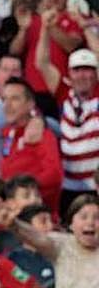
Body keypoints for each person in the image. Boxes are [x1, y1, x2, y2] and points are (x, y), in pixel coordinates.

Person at [35, 40, 99, 217]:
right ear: (69, 74)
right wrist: (46, 28)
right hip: (69, 185)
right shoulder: (64, 94)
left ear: (96, 73)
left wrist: (86, 28)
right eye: (77, 70)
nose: (82, 75)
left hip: (95, 185)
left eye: (87, 69)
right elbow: (41, 63)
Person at [0, 77, 64, 217]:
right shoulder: (8, 134)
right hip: (13, 216)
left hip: (38, 219)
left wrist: (23, 190)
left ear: (30, 104)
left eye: (15, 99)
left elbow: (55, 175)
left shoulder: (42, 135)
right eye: (4, 99)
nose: (7, 105)